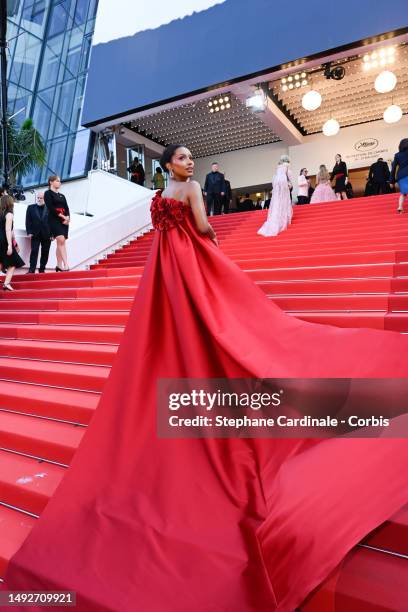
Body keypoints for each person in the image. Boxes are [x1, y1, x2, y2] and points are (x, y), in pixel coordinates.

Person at [5, 143, 408, 612]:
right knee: (221, 315)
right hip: (190, 257)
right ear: (170, 164)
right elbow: (201, 225)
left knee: (175, 320)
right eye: (183, 157)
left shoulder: (161, 194)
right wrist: (213, 239)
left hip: (165, 263)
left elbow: (166, 225)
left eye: (192, 157)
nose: (190, 162)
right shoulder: (192, 189)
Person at [258, 155, 293, 236]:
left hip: (277, 184)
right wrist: (290, 183)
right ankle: (284, 217)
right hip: (283, 183)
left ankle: (275, 218)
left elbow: (277, 177)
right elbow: (289, 175)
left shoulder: (278, 166)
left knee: (277, 201)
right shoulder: (287, 166)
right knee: (284, 199)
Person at [44, 175, 70, 272]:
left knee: (61, 242)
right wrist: (63, 216)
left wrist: (68, 218)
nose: (59, 182)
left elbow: (67, 208)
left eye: (60, 181)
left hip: (64, 221)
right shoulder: (47, 193)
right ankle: (66, 264)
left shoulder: (62, 196)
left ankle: (59, 265)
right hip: (54, 220)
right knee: (61, 239)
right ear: (51, 182)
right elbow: (50, 207)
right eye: (57, 181)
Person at [0, 194, 25, 290]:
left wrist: (15, 244)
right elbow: (8, 230)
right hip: (4, 240)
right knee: (13, 262)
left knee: (1, 261)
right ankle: (6, 284)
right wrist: (10, 245)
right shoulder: (9, 214)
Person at [25, 191, 52, 273]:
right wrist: (29, 232)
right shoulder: (30, 207)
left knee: (45, 252)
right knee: (34, 251)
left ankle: (42, 269)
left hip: (47, 234)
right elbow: (28, 221)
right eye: (38, 198)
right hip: (35, 234)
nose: (39, 199)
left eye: (41, 198)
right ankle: (31, 270)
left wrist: (53, 234)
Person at [390, 138, 408, 213]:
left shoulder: (397, 155)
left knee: (403, 193)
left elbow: (393, 168)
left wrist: (391, 181)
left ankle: (400, 207)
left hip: (401, 176)